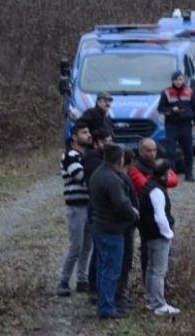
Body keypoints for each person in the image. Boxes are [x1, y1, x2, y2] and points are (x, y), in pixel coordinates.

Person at [88, 143, 140, 320]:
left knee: (103, 269)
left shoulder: (97, 174)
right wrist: (133, 213)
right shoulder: (112, 179)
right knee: (111, 270)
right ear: (120, 161)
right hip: (112, 230)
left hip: (100, 227)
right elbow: (121, 205)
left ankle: (104, 304)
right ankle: (107, 307)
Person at [127, 138, 179, 283]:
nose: (152, 153)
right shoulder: (135, 168)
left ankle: (160, 284)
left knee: (164, 255)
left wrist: (157, 178)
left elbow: (174, 179)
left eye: (154, 150)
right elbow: (145, 185)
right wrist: (159, 178)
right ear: (141, 151)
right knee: (148, 253)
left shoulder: (155, 165)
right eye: (148, 150)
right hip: (145, 214)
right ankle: (150, 285)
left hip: (160, 209)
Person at [139, 158, 180, 315]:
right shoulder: (157, 190)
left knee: (151, 268)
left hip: (149, 233)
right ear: (166, 173)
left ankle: (151, 300)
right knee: (159, 271)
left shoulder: (149, 185)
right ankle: (159, 304)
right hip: (158, 235)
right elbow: (160, 216)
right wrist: (168, 233)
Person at [57, 123, 93, 297]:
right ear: (74, 137)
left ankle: (82, 279)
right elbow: (81, 177)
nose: (88, 135)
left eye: (88, 132)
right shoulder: (70, 156)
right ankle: (64, 280)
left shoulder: (87, 156)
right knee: (76, 245)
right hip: (76, 205)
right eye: (84, 132)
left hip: (89, 204)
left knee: (87, 246)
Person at [81, 128, 113, 304]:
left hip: (98, 208)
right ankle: (93, 286)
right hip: (97, 208)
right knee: (99, 250)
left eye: (110, 140)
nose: (108, 144)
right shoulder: (93, 162)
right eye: (105, 141)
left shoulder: (101, 159)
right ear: (96, 143)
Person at [158, 71, 195, 182]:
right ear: (173, 80)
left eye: (180, 79)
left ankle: (189, 174)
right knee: (170, 152)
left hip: (186, 125)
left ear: (183, 80)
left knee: (188, 151)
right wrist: (172, 110)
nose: (178, 82)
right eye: (176, 79)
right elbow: (160, 108)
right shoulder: (166, 93)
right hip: (172, 126)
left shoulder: (189, 92)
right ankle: (171, 175)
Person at [114, 147, 141, 310]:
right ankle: (119, 296)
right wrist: (134, 215)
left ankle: (121, 294)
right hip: (124, 226)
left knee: (124, 262)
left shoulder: (120, 178)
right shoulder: (122, 179)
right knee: (123, 263)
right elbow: (123, 204)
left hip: (125, 226)